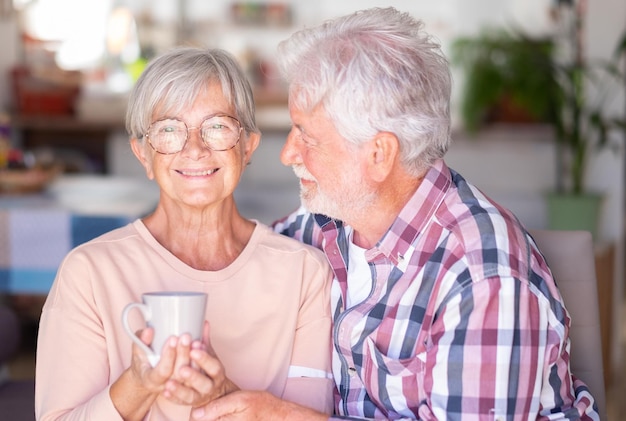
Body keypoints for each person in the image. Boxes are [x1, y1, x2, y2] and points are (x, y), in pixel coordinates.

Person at [192, 7, 600, 421]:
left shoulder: (483, 279)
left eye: (308, 137)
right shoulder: (328, 223)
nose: (287, 154)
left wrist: (276, 416)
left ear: (379, 154)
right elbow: (238, 251)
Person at [35, 47, 334, 421]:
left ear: (247, 146)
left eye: (217, 127)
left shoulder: (305, 273)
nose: (195, 148)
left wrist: (222, 394)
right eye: (170, 130)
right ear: (143, 154)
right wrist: (139, 385)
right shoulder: (89, 272)